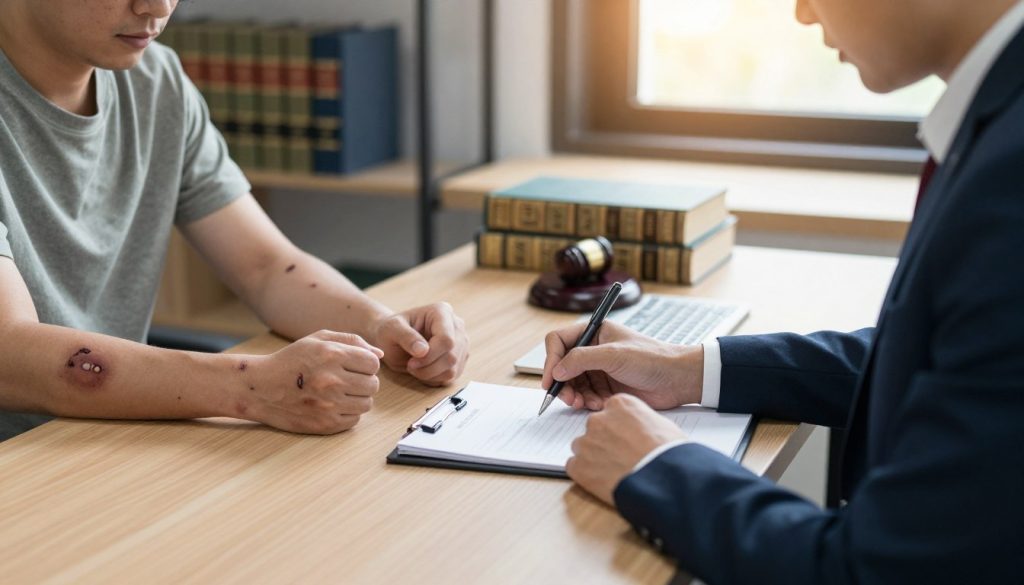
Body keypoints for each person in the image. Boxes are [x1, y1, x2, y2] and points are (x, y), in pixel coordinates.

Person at [542, 0, 1024, 582]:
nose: (800, 14)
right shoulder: (999, 120)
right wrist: (688, 367)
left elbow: (878, 571)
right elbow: (942, 358)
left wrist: (659, 464)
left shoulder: (1011, 174)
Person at [0, 0, 469, 441]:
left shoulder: (155, 81)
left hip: (104, 437)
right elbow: (9, 353)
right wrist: (250, 387)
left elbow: (265, 267)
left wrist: (383, 327)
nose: (158, 7)